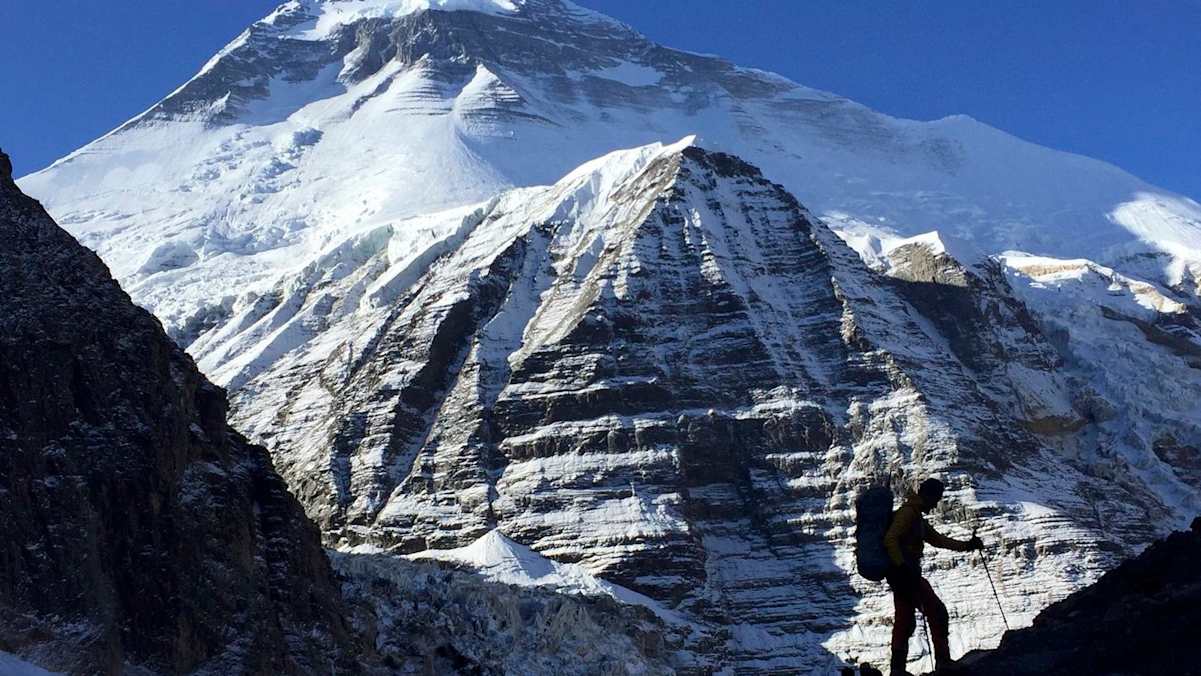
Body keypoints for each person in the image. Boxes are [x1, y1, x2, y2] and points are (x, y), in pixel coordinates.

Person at [883, 478, 983, 675]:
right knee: (937, 612)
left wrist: (967, 546)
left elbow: (938, 540)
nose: (936, 503)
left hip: (901, 574)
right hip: (905, 573)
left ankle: (897, 669)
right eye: (936, 498)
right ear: (928, 496)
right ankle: (943, 661)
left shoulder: (915, 516)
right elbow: (890, 538)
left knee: (905, 619)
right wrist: (902, 565)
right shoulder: (908, 514)